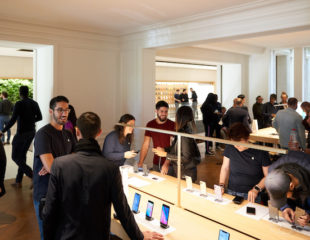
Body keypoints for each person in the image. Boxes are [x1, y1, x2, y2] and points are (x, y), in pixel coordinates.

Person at [42, 112, 163, 240]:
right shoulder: (109, 168)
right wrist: (140, 236)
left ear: (77, 132)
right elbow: (122, 210)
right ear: (99, 132)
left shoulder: (59, 165)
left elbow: (49, 212)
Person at [33, 96, 76, 240]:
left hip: (65, 192)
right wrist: (56, 164)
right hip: (46, 195)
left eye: (66, 110)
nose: (64, 113)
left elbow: (77, 159)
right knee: (48, 235)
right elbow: (51, 168)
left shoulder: (69, 134)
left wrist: (56, 162)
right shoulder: (43, 134)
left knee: (63, 234)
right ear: (51, 111)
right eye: (60, 110)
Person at [0, 86, 42, 188]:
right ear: (28, 92)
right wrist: (31, 121)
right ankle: (18, 181)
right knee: (22, 156)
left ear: (20, 93)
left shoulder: (19, 104)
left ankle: (32, 175)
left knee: (15, 156)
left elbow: (13, 120)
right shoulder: (34, 103)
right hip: (31, 132)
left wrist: (3, 131)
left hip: (21, 134)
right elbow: (40, 117)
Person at [218, 123, 271, 203]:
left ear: (248, 138)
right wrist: (221, 185)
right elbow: (225, 168)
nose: (236, 146)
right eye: (234, 142)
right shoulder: (230, 147)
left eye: (239, 142)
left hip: (252, 195)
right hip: (231, 191)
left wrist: (257, 189)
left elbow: (269, 176)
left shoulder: (260, 151)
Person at [153, 106, 201, 182]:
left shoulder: (184, 134)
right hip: (183, 172)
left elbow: (185, 158)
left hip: (186, 173)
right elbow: (176, 148)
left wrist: (165, 154)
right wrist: (164, 149)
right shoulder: (183, 131)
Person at [265, 151, 310, 227]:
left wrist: (309, 215)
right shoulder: (272, 173)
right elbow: (278, 193)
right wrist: (285, 207)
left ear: (291, 185)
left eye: (284, 197)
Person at [138, 101, 175, 175]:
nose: (164, 114)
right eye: (161, 111)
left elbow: (173, 147)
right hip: (155, 162)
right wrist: (141, 162)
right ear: (156, 111)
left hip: (169, 164)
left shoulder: (172, 125)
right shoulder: (150, 124)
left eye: (166, 111)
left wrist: (167, 163)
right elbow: (146, 144)